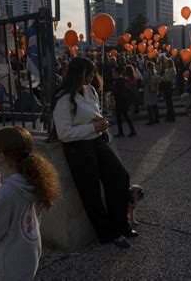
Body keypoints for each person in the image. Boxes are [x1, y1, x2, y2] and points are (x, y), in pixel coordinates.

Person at [53, 57, 137, 249]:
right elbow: (64, 133)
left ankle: (120, 224)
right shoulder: (64, 98)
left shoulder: (90, 90)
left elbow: (93, 116)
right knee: (90, 192)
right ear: (78, 73)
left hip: (97, 141)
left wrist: (102, 124)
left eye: (92, 72)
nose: (91, 76)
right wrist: (93, 128)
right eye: (88, 72)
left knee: (119, 177)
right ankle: (108, 233)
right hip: (78, 147)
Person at [0, 126, 60, 280]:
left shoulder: (8, 192)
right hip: (28, 258)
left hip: (10, 266)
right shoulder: (30, 181)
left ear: (1, 156)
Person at [112, 66, 137, 137]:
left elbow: (117, 91)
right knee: (125, 116)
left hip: (121, 101)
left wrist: (112, 92)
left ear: (117, 73)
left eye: (113, 72)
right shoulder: (123, 80)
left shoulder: (119, 81)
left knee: (120, 117)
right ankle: (130, 131)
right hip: (123, 101)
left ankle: (122, 132)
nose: (112, 73)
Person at [143, 61, 161, 125]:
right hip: (155, 89)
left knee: (149, 105)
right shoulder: (155, 73)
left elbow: (144, 81)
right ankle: (157, 119)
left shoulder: (146, 73)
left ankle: (151, 120)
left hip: (148, 89)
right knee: (155, 104)